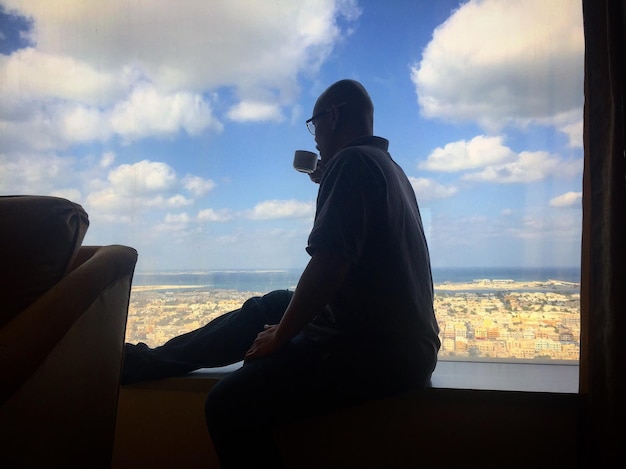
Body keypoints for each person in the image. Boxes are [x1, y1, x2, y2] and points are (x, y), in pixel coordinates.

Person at [203, 79, 440, 468]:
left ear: (332, 116)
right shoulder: (387, 166)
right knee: (267, 306)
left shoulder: (351, 163)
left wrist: (281, 335)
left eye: (314, 125)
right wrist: (328, 178)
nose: (314, 138)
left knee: (224, 406)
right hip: (406, 344)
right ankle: (151, 360)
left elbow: (330, 263)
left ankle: (144, 363)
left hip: (379, 351)